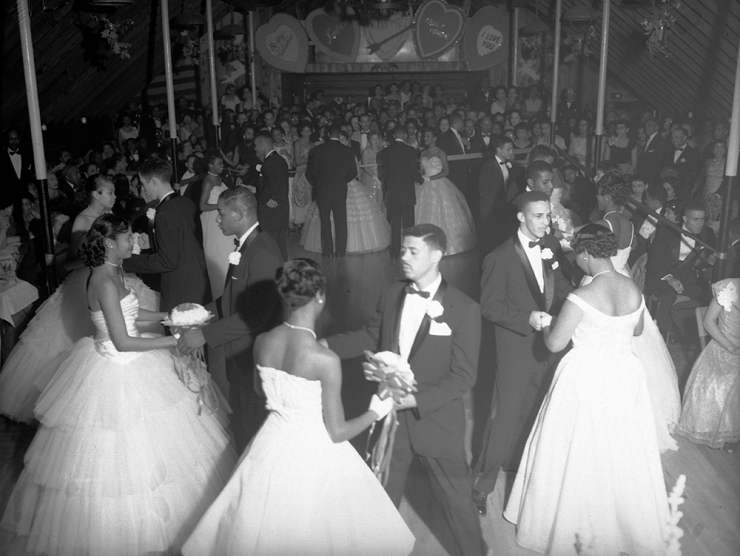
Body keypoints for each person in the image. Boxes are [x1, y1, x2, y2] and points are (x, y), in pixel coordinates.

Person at [0, 214, 237, 556]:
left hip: (132, 360)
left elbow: (131, 313)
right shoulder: (104, 281)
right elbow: (123, 342)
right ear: (110, 243)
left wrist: (169, 318)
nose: (135, 243)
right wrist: (175, 342)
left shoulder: (114, 270)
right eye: (129, 239)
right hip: (116, 366)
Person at [181, 259, 414, 556]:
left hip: (271, 441)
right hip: (313, 449)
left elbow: (259, 389)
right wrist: (377, 410)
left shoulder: (263, 342)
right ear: (320, 297)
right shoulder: (323, 360)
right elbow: (339, 432)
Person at [503, 224, 670, 555]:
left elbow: (554, 344)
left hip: (586, 376)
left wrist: (548, 322)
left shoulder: (581, 296)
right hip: (624, 374)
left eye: (576, 258)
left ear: (584, 254)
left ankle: (567, 525)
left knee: (576, 446)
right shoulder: (632, 289)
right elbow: (636, 331)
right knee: (621, 447)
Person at [327, 224, 487, 556]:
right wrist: (321, 346)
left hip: (437, 422)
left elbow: (463, 377)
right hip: (391, 420)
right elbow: (369, 337)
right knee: (382, 493)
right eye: (402, 250)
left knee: (457, 503)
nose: (403, 257)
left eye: (412, 251)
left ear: (437, 256)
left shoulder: (465, 308)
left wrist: (415, 400)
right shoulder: (391, 293)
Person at [0, 175, 159, 423]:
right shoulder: (82, 220)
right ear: (96, 194)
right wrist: (99, 257)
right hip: (89, 282)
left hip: (116, 277)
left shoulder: (111, 217)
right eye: (109, 192)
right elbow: (71, 261)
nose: (114, 197)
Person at [472, 191, 572, 515]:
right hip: (515, 351)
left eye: (548, 216)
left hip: (548, 348)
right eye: (538, 216)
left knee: (536, 414)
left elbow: (559, 288)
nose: (546, 223)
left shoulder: (550, 246)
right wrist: (525, 318)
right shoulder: (498, 257)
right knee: (502, 420)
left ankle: (524, 472)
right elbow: (488, 307)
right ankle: (481, 486)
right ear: (521, 217)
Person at [177, 187, 283, 453]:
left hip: (253, 358)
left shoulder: (262, 254)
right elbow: (233, 299)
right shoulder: (247, 246)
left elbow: (255, 315)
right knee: (243, 421)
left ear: (239, 213)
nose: (217, 219)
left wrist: (205, 335)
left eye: (222, 213)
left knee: (253, 428)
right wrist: (199, 314)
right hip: (240, 354)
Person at [588, 175, 680, 451]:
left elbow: (591, 255)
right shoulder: (628, 223)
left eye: (599, 195)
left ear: (606, 196)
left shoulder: (603, 223)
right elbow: (631, 248)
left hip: (603, 282)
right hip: (625, 281)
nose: (596, 198)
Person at [124, 158, 210, 311]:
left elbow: (168, 261)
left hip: (179, 287)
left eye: (144, 184)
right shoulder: (186, 202)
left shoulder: (164, 213)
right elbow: (186, 239)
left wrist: (129, 261)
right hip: (198, 279)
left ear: (154, 182)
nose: (144, 189)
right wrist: (153, 241)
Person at [300, 131, 390, 255]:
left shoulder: (347, 153)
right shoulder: (335, 152)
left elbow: (356, 172)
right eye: (340, 139)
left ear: (347, 140)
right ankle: (330, 250)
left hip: (344, 187)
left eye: (343, 139)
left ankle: (339, 251)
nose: (341, 141)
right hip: (336, 187)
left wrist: (334, 181)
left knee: (339, 221)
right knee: (328, 221)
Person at [676, 277, 739, 451]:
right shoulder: (729, 288)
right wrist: (731, 347)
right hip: (724, 346)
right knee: (727, 381)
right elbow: (708, 322)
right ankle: (727, 433)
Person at [645, 198, 716, 342]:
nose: (699, 223)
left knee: (705, 295)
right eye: (695, 219)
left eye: (702, 219)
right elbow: (655, 261)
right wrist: (669, 278)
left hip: (686, 277)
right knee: (670, 294)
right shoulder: (667, 231)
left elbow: (705, 260)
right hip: (662, 275)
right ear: (684, 218)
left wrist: (709, 261)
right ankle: (660, 334)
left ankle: (689, 335)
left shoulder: (707, 233)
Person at [416, 127, 476, 255]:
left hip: (438, 183)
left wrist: (430, 178)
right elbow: (421, 170)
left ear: (434, 138)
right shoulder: (423, 153)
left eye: (428, 136)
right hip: (425, 185)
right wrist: (420, 176)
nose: (425, 139)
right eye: (424, 136)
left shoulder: (441, 152)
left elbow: (446, 171)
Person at [306, 126, 357, 257]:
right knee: (341, 221)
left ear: (327, 134)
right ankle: (340, 252)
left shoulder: (317, 150)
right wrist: (341, 180)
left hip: (323, 190)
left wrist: (319, 183)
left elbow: (310, 173)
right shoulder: (347, 151)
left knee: (325, 222)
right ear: (339, 135)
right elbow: (353, 172)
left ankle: (327, 251)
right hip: (340, 190)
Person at [378, 126, 423, 259]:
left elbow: (384, 173)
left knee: (395, 223)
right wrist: (420, 180)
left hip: (393, 192)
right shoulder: (410, 150)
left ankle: (395, 252)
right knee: (409, 223)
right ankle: (411, 251)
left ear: (393, 136)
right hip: (406, 192)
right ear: (404, 136)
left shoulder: (385, 152)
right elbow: (413, 171)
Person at [199, 153, 232, 300]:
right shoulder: (208, 182)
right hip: (212, 220)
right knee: (219, 254)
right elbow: (202, 205)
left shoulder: (218, 178)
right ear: (210, 165)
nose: (222, 166)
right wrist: (220, 205)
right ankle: (219, 293)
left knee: (227, 252)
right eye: (219, 163)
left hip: (222, 216)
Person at [477, 134, 515, 256]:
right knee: (491, 242)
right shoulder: (488, 166)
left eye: (511, 149)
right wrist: (499, 207)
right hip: (492, 210)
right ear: (498, 150)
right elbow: (484, 191)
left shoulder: (509, 164)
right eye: (508, 149)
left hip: (504, 209)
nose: (511, 152)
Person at [255, 133, 290, 261]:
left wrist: (262, 199)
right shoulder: (280, 160)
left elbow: (272, 186)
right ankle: (283, 273)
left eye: (256, 145)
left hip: (271, 212)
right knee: (280, 246)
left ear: (262, 144)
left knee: (271, 246)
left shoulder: (269, 163)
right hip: (281, 209)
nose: (255, 149)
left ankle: (275, 274)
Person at [436, 113, 470, 195]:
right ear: (459, 122)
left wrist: (467, 146)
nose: (463, 125)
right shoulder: (445, 137)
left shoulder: (462, 134)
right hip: (453, 173)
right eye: (462, 122)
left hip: (463, 172)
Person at [291, 123, 314, 229]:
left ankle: (308, 222)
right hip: (301, 173)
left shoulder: (312, 144)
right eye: (304, 131)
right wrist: (310, 160)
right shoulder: (297, 143)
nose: (306, 133)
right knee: (300, 196)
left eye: (308, 131)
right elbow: (298, 161)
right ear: (300, 132)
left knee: (310, 196)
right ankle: (300, 222)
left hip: (310, 172)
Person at [360, 130, 384, 209]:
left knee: (381, 199)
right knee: (371, 200)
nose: (375, 141)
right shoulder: (366, 151)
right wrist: (374, 177)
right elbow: (365, 166)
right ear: (369, 140)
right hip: (370, 178)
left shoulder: (383, 150)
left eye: (377, 139)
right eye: (373, 139)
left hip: (381, 177)